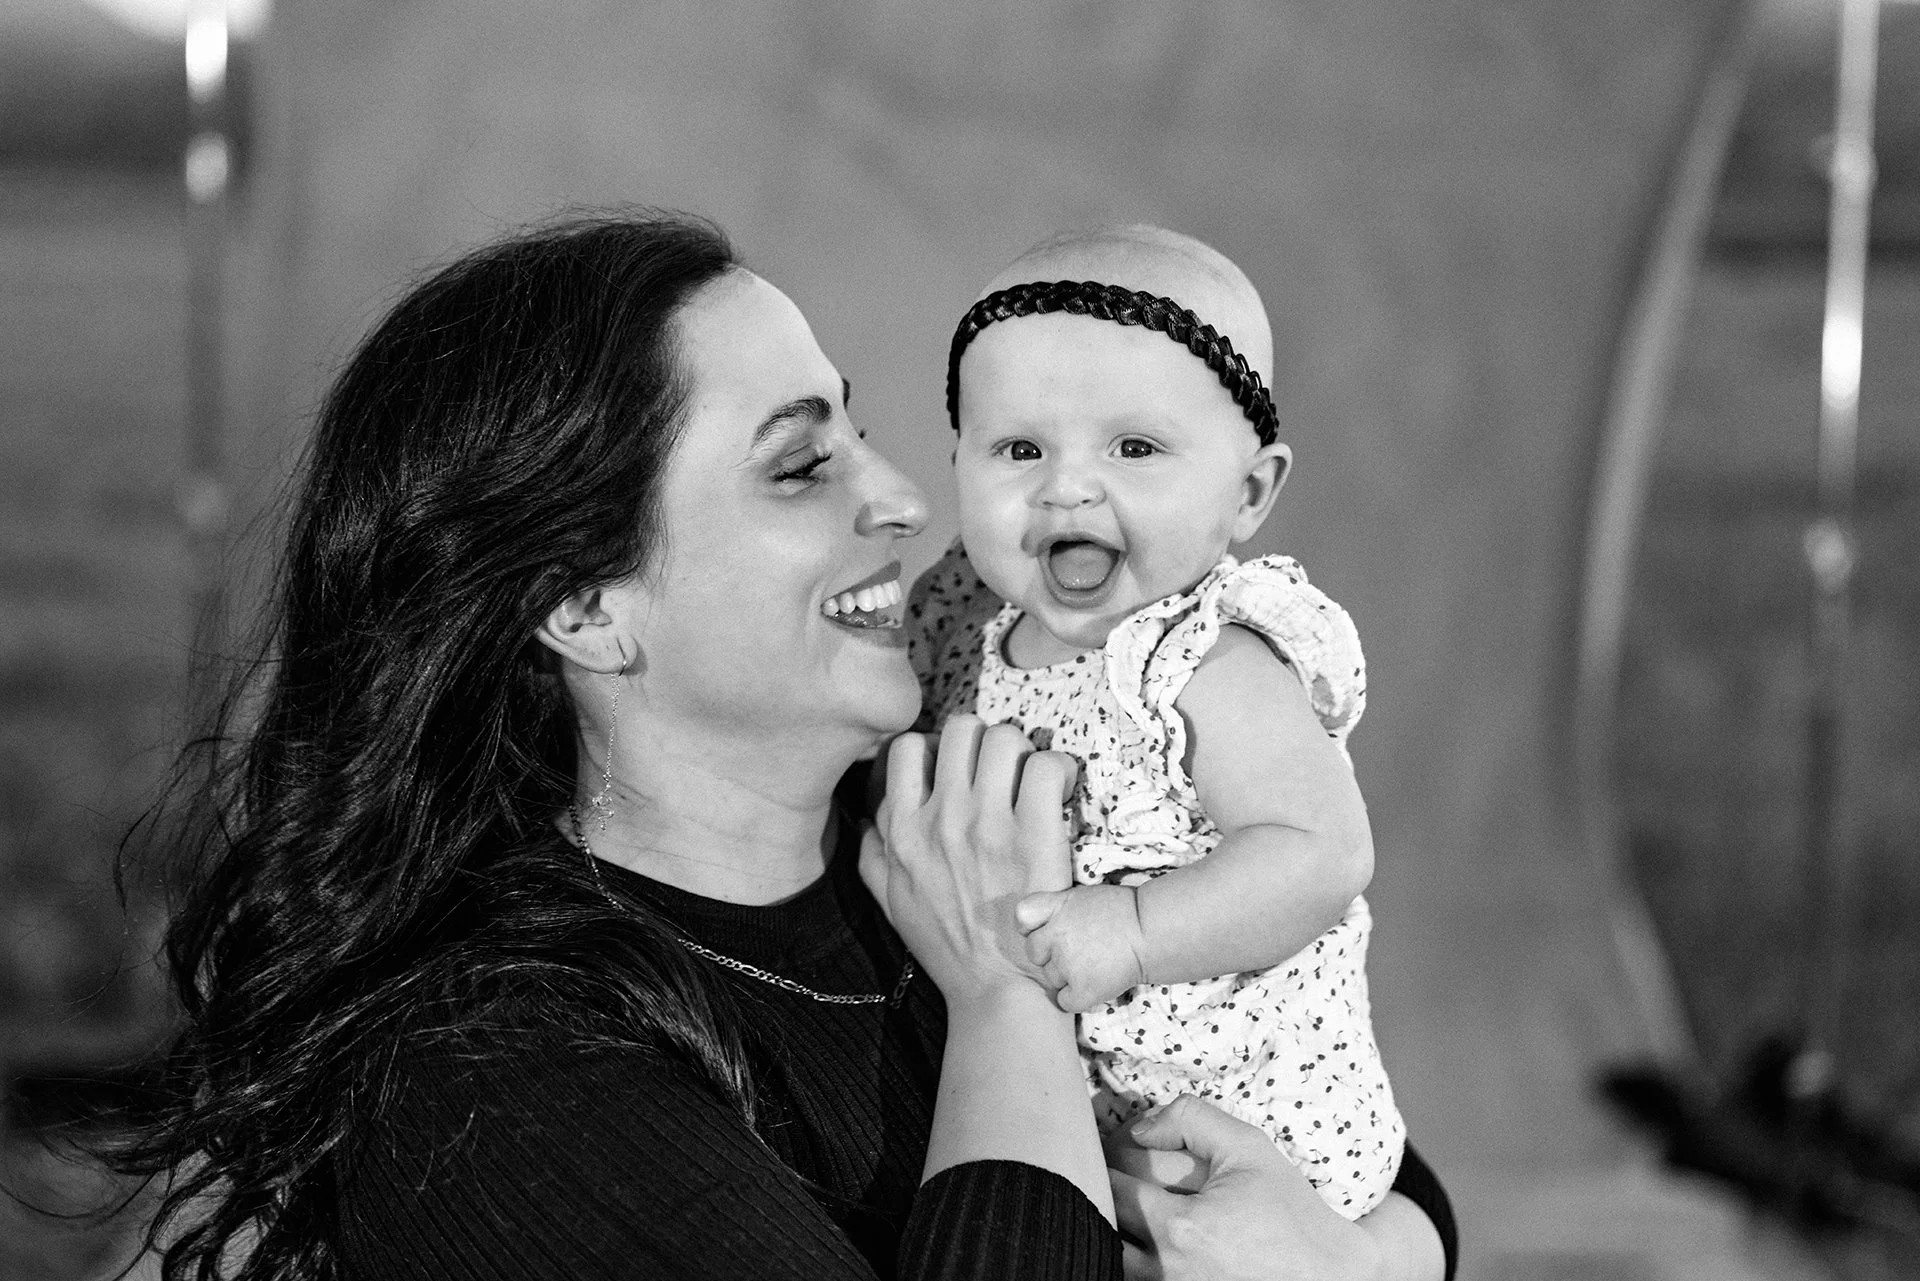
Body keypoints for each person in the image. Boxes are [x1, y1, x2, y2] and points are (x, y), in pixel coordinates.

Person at [113, 214, 1456, 1279]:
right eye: (801, 468)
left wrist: (1369, 1261)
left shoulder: (932, 821)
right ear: (584, 609)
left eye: (859, 432)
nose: (905, 498)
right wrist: (1004, 1006)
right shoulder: (499, 1090)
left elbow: (1354, 1142)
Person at [910, 225, 1402, 1218]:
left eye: (1133, 448)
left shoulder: (1201, 658)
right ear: (958, 461)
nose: (1068, 485)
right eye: (1017, 448)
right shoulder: (975, 631)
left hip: (1257, 1123)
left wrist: (1133, 929)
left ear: (1250, 491)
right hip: (1083, 1122)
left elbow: (1322, 853)